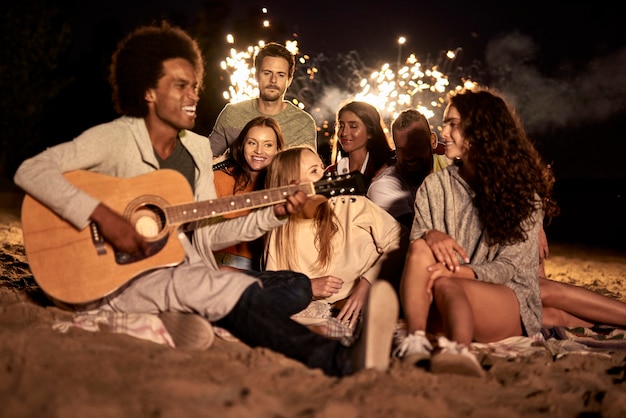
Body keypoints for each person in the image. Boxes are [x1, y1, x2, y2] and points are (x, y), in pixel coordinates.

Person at [13, 22, 397, 377]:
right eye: (180, 85)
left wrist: (273, 214)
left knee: (233, 288)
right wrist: (101, 215)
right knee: (227, 290)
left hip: (178, 268)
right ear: (148, 91)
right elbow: (30, 171)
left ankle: (339, 357)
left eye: (195, 85)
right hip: (117, 274)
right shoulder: (115, 138)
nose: (193, 94)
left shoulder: (197, 149)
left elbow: (208, 235)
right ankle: (338, 359)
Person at [393, 87, 558, 377]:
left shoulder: (521, 193)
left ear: (480, 130)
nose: (443, 132)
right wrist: (429, 235)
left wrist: (461, 273)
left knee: (448, 284)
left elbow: (513, 267)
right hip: (439, 293)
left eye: (453, 124)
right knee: (420, 247)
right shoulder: (435, 186)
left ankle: (460, 351)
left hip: (503, 301)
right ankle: (416, 340)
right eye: (445, 123)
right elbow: (420, 254)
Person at [264, 146, 406, 345]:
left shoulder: (348, 201)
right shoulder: (279, 231)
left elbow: (401, 238)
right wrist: (310, 288)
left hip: (374, 295)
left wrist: (367, 283)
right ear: (291, 184)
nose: (324, 175)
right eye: (314, 171)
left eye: (322, 168)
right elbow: (276, 290)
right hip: (325, 311)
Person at [209, 42, 317, 159]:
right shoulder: (232, 113)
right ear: (256, 75)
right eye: (267, 73)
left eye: (280, 75)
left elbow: (307, 171)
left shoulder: (303, 123)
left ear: (289, 79)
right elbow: (205, 159)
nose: (273, 80)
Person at [213, 116, 285, 271]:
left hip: (270, 263)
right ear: (242, 145)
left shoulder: (282, 185)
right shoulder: (219, 179)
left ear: (278, 150)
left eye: (268, 145)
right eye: (252, 143)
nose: (259, 150)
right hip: (225, 260)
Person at [367, 109, 439, 229]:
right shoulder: (383, 187)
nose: (409, 156)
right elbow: (417, 234)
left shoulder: (449, 168)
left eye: (416, 147)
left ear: (433, 141)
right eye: (401, 149)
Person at [325, 101, 395, 188]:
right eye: (341, 126)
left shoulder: (388, 167)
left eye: (353, 126)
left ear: (370, 132)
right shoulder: (330, 173)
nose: (344, 133)